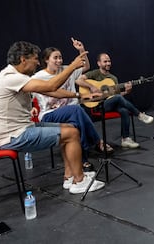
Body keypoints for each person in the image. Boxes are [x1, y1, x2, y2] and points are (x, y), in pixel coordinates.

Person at [0, 41, 105, 194]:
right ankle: (80, 181)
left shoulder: (15, 76)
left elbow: (51, 92)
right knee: (72, 134)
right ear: (23, 59)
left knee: (69, 128)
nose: (37, 62)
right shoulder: (10, 77)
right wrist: (72, 66)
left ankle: (70, 177)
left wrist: (80, 95)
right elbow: (51, 87)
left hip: (19, 129)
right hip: (12, 136)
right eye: (35, 59)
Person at [32, 38, 112, 172]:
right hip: (50, 115)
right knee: (77, 109)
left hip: (72, 113)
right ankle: (97, 142)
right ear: (46, 60)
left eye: (60, 57)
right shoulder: (38, 77)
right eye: (55, 58)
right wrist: (32, 107)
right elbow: (28, 94)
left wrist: (81, 49)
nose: (59, 61)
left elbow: (85, 66)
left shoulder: (66, 69)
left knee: (76, 122)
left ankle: (83, 160)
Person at [76, 53, 154, 149]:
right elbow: (78, 80)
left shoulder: (113, 78)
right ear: (99, 63)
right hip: (98, 105)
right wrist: (92, 87)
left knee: (124, 110)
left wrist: (126, 92)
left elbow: (115, 96)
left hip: (110, 104)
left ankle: (125, 139)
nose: (108, 63)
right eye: (105, 61)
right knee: (118, 99)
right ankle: (139, 114)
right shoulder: (95, 73)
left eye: (109, 61)